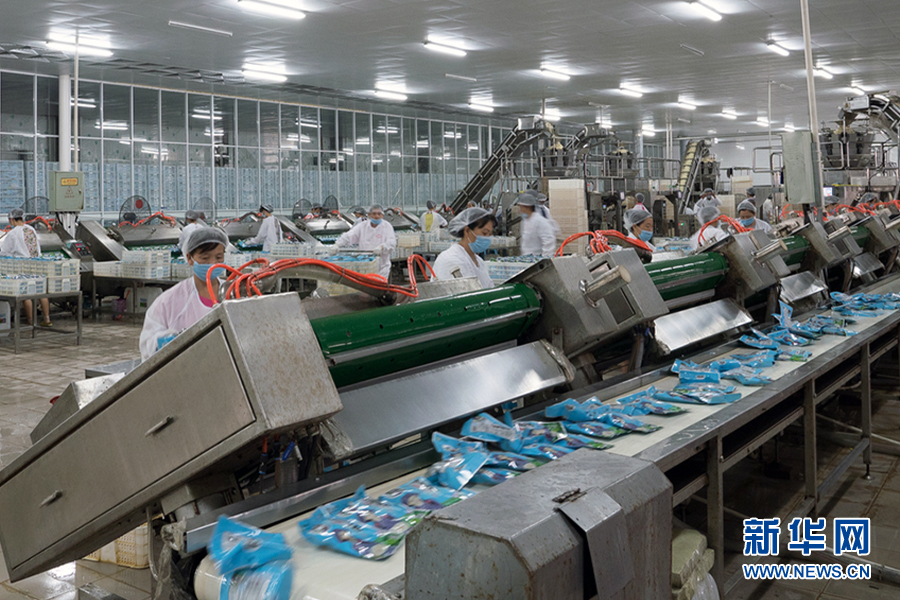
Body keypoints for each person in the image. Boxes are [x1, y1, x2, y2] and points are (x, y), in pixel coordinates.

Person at [139, 228, 229, 360]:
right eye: (205, 258)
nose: (213, 264)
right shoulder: (170, 300)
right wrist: (170, 342)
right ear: (189, 258)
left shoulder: (234, 293)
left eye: (219, 257)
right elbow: (147, 344)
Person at [0, 208, 51, 326]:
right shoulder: (31, 229)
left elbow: (4, 252)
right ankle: (47, 319)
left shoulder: (13, 233)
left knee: (25, 294)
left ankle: (31, 321)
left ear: (12, 219)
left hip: (23, 266)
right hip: (37, 264)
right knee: (41, 292)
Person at [433, 207, 497, 289]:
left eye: (490, 234)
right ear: (467, 231)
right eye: (484, 233)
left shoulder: (479, 261)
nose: (488, 238)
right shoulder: (451, 259)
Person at [334, 204, 397, 279]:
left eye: (379, 214)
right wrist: (337, 244)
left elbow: (391, 242)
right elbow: (349, 235)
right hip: (365, 265)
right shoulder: (363, 226)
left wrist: (382, 247)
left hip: (381, 267)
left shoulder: (387, 226)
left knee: (377, 284)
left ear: (382, 215)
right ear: (369, 215)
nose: (376, 216)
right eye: (374, 214)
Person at [515, 191, 556, 256]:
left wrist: (545, 257)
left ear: (527, 207)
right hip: (527, 256)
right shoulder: (526, 221)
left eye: (521, 207)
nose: (519, 210)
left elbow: (549, 240)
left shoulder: (540, 221)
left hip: (537, 257)